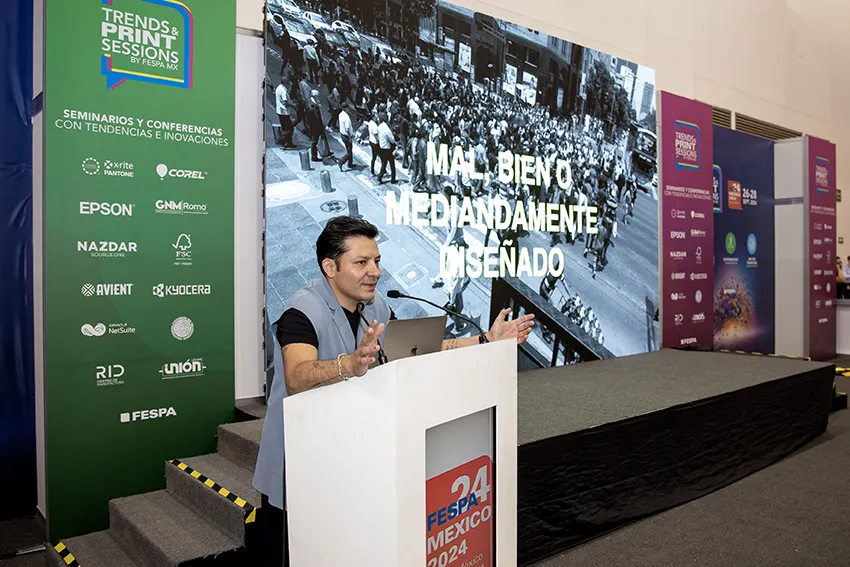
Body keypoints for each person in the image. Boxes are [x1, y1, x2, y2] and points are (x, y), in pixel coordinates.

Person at [253, 216, 535, 567]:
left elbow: (417, 348)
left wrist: (485, 340)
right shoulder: (301, 311)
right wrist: (349, 364)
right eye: (361, 262)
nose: (374, 271)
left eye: (376, 261)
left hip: (350, 458)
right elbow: (297, 376)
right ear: (330, 267)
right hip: (298, 466)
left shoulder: (376, 307)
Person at [275, 77, 295, 148]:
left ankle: (288, 143)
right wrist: (292, 105)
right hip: (284, 112)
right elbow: (285, 102)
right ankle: (283, 141)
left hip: (280, 111)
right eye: (288, 83)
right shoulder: (283, 91)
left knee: (285, 128)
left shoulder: (278, 88)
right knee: (290, 129)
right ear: (285, 83)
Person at [376, 112, 397, 184]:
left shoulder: (379, 127)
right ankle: (393, 179)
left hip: (381, 147)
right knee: (392, 164)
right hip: (387, 148)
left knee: (384, 163)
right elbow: (391, 139)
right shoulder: (387, 129)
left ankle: (380, 176)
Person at [337, 102, 355, 172]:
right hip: (346, 136)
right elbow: (347, 129)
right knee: (349, 152)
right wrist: (350, 137)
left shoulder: (341, 114)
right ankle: (341, 161)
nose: (349, 109)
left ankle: (350, 164)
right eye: (348, 108)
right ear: (345, 108)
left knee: (349, 150)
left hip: (342, 134)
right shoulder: (346, 118)